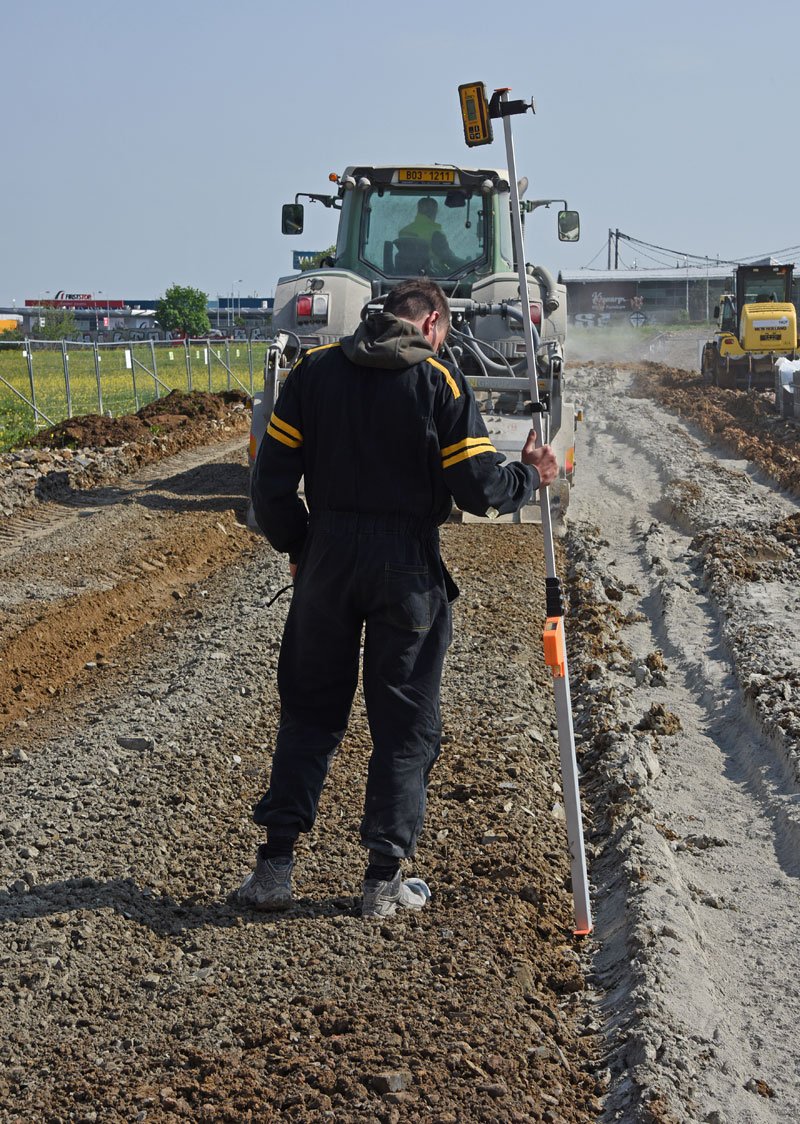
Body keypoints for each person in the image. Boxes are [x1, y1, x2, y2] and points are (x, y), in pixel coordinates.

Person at [240, 278, 557, 918]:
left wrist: (302, 546)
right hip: (406, 567)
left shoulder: (314, 371)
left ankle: (274, 870)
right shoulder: (439, 382)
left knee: (309, 711)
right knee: (404, 723)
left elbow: (269, 482)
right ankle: (382, 880)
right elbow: (477, 489)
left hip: (327, 555)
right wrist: (530, 474)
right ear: (434, 323)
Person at [396, 197, 461, 273]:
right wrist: (466, 264)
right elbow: (448, 259)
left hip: (404, 273)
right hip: (431, 275)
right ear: (435, 211)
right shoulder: (436, 233)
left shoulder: (403, 231)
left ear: (418, 210)